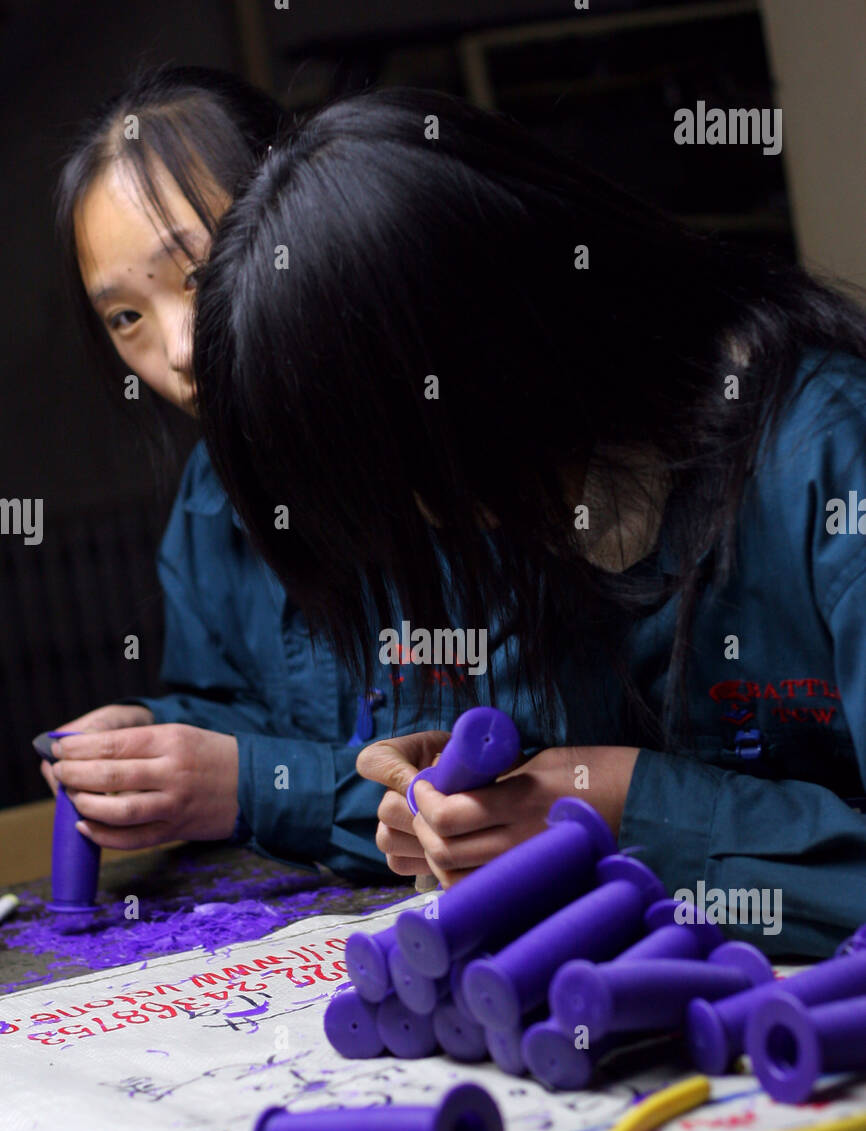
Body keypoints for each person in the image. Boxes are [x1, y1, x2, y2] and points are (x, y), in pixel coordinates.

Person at [193, 87, 866, 954]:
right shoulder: (505, 501)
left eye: (413, 483)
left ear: (502, 359)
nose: (432, 528)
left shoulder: (827, 459)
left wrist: (628, 809)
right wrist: (477, 810)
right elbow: (556, 767)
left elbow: (635, 800)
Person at [48, 66, 476, 879]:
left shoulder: (460, 461)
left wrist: (248, 788)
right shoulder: (209, 493)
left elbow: (525, 782)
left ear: (299, 208)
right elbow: (242, 708)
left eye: (198, 275)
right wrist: (154, 737)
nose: (179, 350)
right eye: (126, 316)